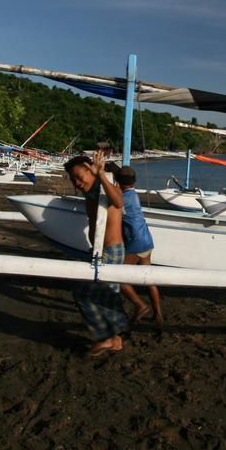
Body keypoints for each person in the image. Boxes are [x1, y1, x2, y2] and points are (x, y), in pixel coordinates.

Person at [64, 150, 130, 358]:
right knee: (108, 295)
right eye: (73, 179)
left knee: (83, 293)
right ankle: (118, 337)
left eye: (79, 177)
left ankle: (107, 338)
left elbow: (119, 202)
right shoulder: (91, 191)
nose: (76, 182)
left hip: (111, 251)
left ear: (91, 172)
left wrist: (101, 173)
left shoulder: (105, 186)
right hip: (99, 251)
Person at [114, 165, 163, 326]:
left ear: (117, 181)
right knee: (148, 279)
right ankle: (158, 315)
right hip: (147, 240)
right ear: (134, 181)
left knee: (119, 279)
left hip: (136, 242)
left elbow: (113, 202)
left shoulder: (122, 198)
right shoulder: (132, 194)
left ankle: (141, 306)